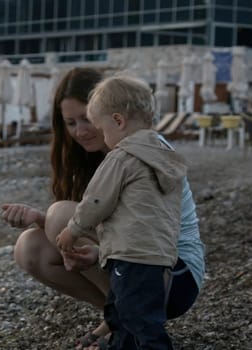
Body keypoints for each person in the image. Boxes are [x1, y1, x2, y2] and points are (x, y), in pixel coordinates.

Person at [0, 67, 205, 349]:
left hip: (173, 273)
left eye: (87, 118)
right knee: (30, 248)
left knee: (62, 217)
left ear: (115, 115)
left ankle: (127, 322)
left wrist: (62, 226)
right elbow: (121, 225)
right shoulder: (108, 156)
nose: (81, 131)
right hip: (144, 265)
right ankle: (120, 321)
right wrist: (40, 219)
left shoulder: (140, 154)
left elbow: (143, 227)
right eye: (70, 123)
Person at [55, 74, 187, 349]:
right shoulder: (164, 154)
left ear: (118, 121)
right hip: (161, 257)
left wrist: (73, 230)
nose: (102, 137)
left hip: (130, 256)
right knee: (121, 312)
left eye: (102, 129)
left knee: (138, 318)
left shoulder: (122, 157)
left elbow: (96, 201)